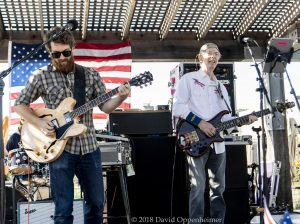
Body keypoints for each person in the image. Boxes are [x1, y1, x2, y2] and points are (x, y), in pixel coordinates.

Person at [14, 26, 131, 224]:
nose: (61, 57)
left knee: (95, 203)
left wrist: (120, 97)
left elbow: (106, 107)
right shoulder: (41, 76)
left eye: (66, 52)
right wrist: (40, 122)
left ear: (73, 48)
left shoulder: (90, 75)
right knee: (63, 208)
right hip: (59, 150)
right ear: (49, 52)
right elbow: (20, 105)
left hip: (89, 148)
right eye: (56, 53)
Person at [172, 43, 257, 224]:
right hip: (195, 139)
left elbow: (225, 119)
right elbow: (177, 107)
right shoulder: (188, 79)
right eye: (209, 53)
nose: (213, 56)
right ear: (200, 57)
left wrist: (244, 119)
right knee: (198, 187)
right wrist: (201, 124)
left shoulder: (221, 87)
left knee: (219, 188)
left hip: (218, 144)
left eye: (216, 53)